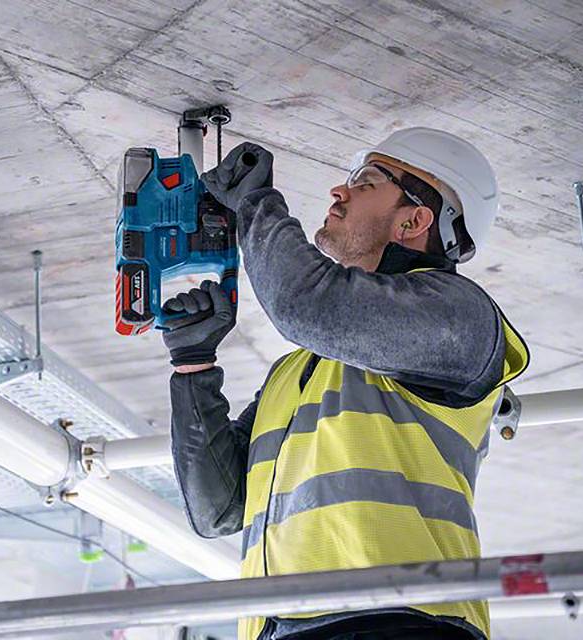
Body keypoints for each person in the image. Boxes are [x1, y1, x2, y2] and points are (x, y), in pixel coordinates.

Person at [160, 128, 530, 640]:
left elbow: (304, 304)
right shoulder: (298, 371)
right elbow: (218, 509)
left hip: (398, 623)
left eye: (365, 182)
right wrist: (194, 367)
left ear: (414, 219)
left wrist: (256, 203)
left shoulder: (459, 317)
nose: (339, 191)